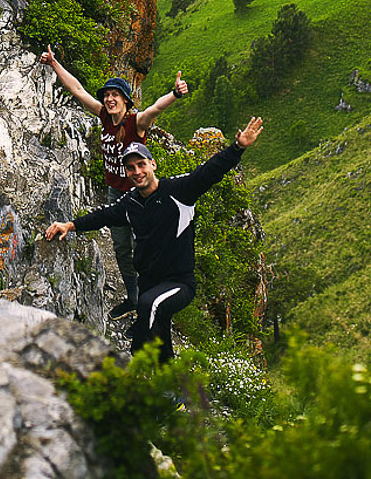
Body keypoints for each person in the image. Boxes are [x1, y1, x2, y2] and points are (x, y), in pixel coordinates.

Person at [45, 117, 264, 363]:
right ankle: (170, 387)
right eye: (131, 168)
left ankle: (147, 377)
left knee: (149, 308)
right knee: (157, 332)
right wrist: (70, 225)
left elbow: (209, 172)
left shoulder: (179, 190)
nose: (137, 172)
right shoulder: (130, 203)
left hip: (179, 282)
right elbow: (104, 216)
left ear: (153, 164)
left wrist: (238, 148)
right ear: (126, 172)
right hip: (149, 282)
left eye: (141, 165)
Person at [41, 45, 188, 319]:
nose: (109, 99)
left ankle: (151, 302)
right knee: (121, 248)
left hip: (141, 196)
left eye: (115, 95)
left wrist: (175, 94)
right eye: (107, 95)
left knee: (144, 249)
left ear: (126, 101)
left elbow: (155, 108)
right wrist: (54, 64)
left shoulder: (136, 123)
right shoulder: (103, 117)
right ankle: (133, 299)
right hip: (115, 194)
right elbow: (78, 90)